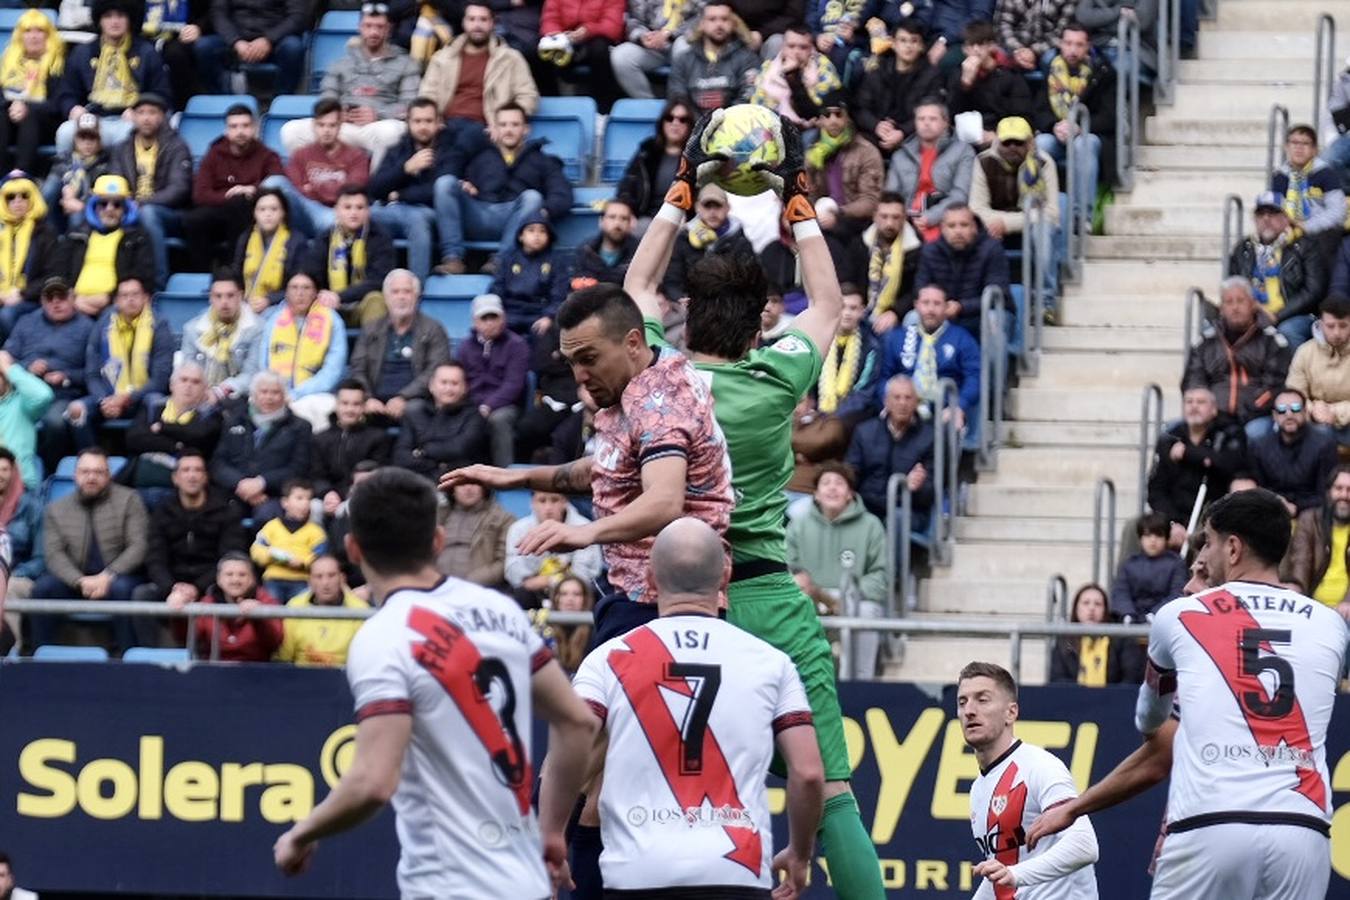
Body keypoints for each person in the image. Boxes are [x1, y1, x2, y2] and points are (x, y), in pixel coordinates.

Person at [612, 123, 885, 900]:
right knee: (831, 796)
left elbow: (636, 289)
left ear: (688, 317)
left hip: (681, 606)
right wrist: (798, 196)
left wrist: (682, 190)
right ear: (763, 317)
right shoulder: (776, 378)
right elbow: (829, 300)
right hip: (769, 597)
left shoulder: (659, 376)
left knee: (665, 795)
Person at [273, 468, 598, 897]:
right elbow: (578, 723)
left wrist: (300, 834)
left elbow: (373, 781)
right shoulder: (499, 610)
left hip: (448, 886)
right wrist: (554, 831)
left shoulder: (384, 634)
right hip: (527, 883)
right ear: (439, 541)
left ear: (352, 549)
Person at [566, 516, 825, 897]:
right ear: (725, 576)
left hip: (638, 873)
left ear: (651, 580)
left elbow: (567, 758)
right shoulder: (771, 662)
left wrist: (550, 835)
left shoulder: (609, 658)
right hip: (734, 872)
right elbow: (808, 773)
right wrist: (800, 853)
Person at [1132, 489, 1343, 900]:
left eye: (1208, 541)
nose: (1204, 554)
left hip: (1209, 821)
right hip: (1303, 829)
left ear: (1232, 548)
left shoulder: (1179, 615)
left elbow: (1148, 718)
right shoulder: (1331, 624)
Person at [959, 661, 1100, 897]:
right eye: (963, 702)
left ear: (1011, 712)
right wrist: (1011, 874)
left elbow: (1085, 845)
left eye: (982, 699)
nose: (969, 710)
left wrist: (1016, 874)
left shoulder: (1041, 766)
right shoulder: (978, 789)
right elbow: (1002, 870)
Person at [29, 447, 147, 654]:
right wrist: (79, 580)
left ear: (108, 475)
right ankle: (41, 657)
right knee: (43, 588)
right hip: (75, 582)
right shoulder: (56, 509)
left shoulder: (129, 500)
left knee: (123, 589)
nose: (91, 477)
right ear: (75, 475)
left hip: (116, 579)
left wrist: (107, 576)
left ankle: (127, 656)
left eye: (98, 472)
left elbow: (138, 546)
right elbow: (54, 554)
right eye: (85, 472)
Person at [431, 102, 571, 275]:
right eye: (503, 125)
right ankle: (453, 259)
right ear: (494, 129)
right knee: (445, 183)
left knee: (532, 197)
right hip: (477, 213)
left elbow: (562, 194)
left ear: (526, 129)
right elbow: (448, 171)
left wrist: (544, 212)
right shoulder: (477, 153)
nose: (509, 130)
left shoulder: (542, 160)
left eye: (515, 124)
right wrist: (462, 183)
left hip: (515, 219)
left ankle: (501, 261)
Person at [278, 4, 420, 170]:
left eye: (379, 27)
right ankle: (316, 183)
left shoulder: (406, 63)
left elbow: (409, 106)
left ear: (388, 29)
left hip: (378, 126)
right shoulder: (341, 63)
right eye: (368, 26)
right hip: (342, 126)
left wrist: (379, 114)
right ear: (360, 28)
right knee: (291, 131)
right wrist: (336, 112)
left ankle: (372, 190)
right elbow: (327, 97)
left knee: (395, 132)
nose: (373, 32)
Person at [786, 461, 888, 675]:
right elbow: (787, 568)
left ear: (850, 493)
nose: (832, 488)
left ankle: (860, 683)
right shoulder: (798, 524)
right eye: (826, 483)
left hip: (852, 598)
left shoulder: (871, 525)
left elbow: (881, 576)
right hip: (810, 598)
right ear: (815, 494)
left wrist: (849, 596)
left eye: (839, 483)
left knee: (867, 612)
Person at [135, 449, 246, 612]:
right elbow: (155, 558)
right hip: (172, 583)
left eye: (198, 470)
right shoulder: (162, 511)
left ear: (205, 477)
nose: (192, 475)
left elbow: (228, 557)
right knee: (142, 595)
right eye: (186, 470)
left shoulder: (226, 510)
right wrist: (171, 587)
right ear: (175, 478)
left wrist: (197, 587)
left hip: (213, 583)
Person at [54, 0, 171, 154]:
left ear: (129, 19)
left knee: (128, 135)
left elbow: (161, 93)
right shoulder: (83, 52)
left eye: (120, 16)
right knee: (65, 132)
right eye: (108, 16)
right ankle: (68, 175)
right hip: (92, 117)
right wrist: (73, 108)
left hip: (129, 119)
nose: (114, 22)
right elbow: (66, 92)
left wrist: (140, 111)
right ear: (100, 20)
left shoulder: (147, 52)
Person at [1181, 277, 1290, 439]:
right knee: (1170, 432)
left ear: (1253, 304)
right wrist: (1209, 411)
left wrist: (1244, 415)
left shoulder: (1272, 341)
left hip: (1255, 418)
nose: (1235, 307)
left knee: (1254, 434)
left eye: (1241, 301)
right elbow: (1193, 382)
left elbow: (1274, 387)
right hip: (1212, 417)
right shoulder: (1205, 342)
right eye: (1229, 302)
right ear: (1221, 309)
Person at [4, 277, 93, 472]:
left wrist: (66, 377)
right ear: (42, 301)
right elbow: (6, 358)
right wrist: (28, 367)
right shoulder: (27, 322)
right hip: (24, 394)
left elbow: (93, 373)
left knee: (55, 423)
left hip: (62, 395)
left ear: (72, 298)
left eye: (61, 296)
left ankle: (49, 473)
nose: (55, 302)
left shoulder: (87, 327)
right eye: (49, 297)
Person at [1031, 21, 1114, 226]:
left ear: (1088, 47)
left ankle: (1081, 217)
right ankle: (1040, 211)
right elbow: (1038, 111)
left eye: (1078, 45)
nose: (1073, 50)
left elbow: (1109, 117)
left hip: (1089, 135)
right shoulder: (1050, 70)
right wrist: (1054, 126)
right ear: (1061, 44)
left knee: (1083, 144)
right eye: (1068, 43)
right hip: (1058, 135)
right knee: (1041, 143)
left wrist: (1080, 126)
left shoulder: (1102, 72)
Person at [183, 105, 283, 271]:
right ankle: (201, 275)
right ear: (226, 130)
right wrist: (230, 194)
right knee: (192, 220)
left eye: (245, 126)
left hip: (251, 211)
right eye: (234, 126)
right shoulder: (214, 154)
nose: (240, 131)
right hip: (219, 209)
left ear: (255, 128)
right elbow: (200, 195)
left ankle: (234, 271)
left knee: (239, 204)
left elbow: (277, 185)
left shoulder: (268, 155)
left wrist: (250, 190)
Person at [367, 97, 455, 280]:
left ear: (438, 123)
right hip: (391, 212)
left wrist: (399, 194)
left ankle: (417, 288)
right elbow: (375, 188)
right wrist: (406, 169)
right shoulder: (397, 149)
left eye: (428, 121)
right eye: (417, 121)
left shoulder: (450, 151)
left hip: (428, 214)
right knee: (358, 215)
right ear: (408, 123)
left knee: (416, 219)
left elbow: (437, 193)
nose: (423, 126)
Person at [1146, 386, 1246, 547]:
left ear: (1213, 410)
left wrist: (1190, 453)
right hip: (1174, 515)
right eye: (1189, 402)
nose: (1194, 406)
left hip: (1211, 512)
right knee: (1134, 527)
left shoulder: (1226, 435)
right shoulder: (1169, 439)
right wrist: (1171, 522)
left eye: (1200, 402)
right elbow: (1156, 490)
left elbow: (1231, 466)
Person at [1226, 190, 1328, 349]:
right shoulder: (1243, 249)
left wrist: (1277, 315)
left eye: (1273, 213)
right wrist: (1251, 310)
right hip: (1253, 312)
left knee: (1288, 330)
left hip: (1295, 315)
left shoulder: (1304, 245)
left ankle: (1294, 374)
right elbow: (1233, 285)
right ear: (1254, 219)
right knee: (1215, 328)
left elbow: (1313, 290)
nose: (1266, 218)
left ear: (1286, 218)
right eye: (1261, 213)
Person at [209, 370, 314, 524]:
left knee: (267, 516)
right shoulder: (234, 420)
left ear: (284, 396)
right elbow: (218, 463)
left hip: (274, 495)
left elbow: (298, 468)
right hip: (234, 490)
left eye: (275, 392)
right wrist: (241, 484)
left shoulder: (300, 427)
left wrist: (261, 483)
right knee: (220, 512)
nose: (269, 397)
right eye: (264, 392)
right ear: (254, 395)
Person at [250, 271, 350, 431]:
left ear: (316, 292)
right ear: (287, 293)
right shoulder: (274, 320)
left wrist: (296, 394)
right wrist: (279, 393)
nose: (300, 293)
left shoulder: (332, 320)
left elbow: (333, 370)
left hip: (314, 394)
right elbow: (264, 362)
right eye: (294, 288)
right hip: (276, 392)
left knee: (321, 407)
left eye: (306, 288)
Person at [792, 288, 880, 467]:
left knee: (832, 431)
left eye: (853, 308)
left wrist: (831, 416)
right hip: (818, 409)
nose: (847, 314)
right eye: (843, 307)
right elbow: (807, 379)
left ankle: (814, 462)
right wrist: (806, 402)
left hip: (852, 413)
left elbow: (863, 393)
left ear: (862, 311)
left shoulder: (872, 346)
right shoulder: (819, 339)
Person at [110, 93, 190, 289]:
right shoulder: (122, 148)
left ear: (162, 116)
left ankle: (157, 284)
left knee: (148, 214)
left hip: (168, 213)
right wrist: (126, 204)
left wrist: (143, 203)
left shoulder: (176, 146)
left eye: (152, 112)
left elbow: (179, 189)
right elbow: (115, 181)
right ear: (133, 116)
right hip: (129, 208)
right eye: (141, 112)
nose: (146, 118)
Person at [348, 269, 451, 421]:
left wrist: (403, 397)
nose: (401, 297)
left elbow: (435, 371)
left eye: (407, 292)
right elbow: (358, 367)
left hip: (416, 399)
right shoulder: (371, 329)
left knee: (415, 410)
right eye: (395, 292)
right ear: (386, 297)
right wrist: (368, 398)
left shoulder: (433, 329)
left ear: (417, 296)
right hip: (375, 400)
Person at [417, 2, 540, 126]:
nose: (477, 25)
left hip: (489, 130)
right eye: (472, 19)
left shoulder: (511, 59)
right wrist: (434, 123)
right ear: (463, 23)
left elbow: (528, 96)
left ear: (493, 23)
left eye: (483, 19)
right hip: (446, 127)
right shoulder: (442, 58)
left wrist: (505, 124)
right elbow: (428, 94)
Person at [266, 101, 372, 240]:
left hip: (333, 212)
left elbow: (353, 190)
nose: (326, 130)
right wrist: (330, 190)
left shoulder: (356, 156)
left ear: (340, 126)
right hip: (304, 210)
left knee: (337, 222)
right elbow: (295, 190)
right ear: (314, 126)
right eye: (321, 125)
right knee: (274, 183)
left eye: (332, 125)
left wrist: (314, 190)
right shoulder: (301, 154)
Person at [877, 285, 981, 426]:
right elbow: (884, 375)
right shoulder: (898, 337)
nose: (931, 310)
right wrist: (888, 400)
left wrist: (959, 406)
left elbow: (974, 378)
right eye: (926, 303)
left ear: (946, 307)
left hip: (943, 410)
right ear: (916, 305)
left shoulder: (962, 338)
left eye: (937, 304)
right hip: (903, 407)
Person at [81, 277, 175, 432]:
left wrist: (127, 398)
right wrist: (104, 400)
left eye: (135, 295)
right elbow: (92, 374)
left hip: (143, 397)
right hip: (108, 397)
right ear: (116, 301)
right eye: (124, 296)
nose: (130, 300)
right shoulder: (103, 325)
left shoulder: (159, 326)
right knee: (77, 410)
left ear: (146, 298)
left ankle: (142, 454)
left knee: (155, 403)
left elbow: (160, 379)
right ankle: (90, 455)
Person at [53, 174, 154, 317]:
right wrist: (72, 299)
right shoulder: (75, 235)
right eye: (103, 203)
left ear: (125, 209)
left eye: (117, 204)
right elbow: (58, 271)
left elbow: (143, 277)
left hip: (116, 307)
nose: (109, 209)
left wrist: (109, 298)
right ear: (94, 207)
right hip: (73, 304)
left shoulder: (137, 238)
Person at [845, 373, 935, 525]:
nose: (902, 403)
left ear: (916, 403)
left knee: (896, 520)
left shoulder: (930, 437)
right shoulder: (865, 431)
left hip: (908, 510)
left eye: (908, 398)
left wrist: (918, 487)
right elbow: (851, 472)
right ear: (886, 401)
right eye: (897, 397)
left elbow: (933, 488)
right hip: (868, 507)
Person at [915, 202, 1012, 341]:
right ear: (942, 228)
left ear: (974, 227)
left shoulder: (992, 249)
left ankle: (991, 364)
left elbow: (998, 294)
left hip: (981, 314)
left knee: (993, 318)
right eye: (952, 226)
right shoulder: (930, 251)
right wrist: (940, 306)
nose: (958, 231)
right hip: (942, 312)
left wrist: (961, 307)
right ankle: (921, 363)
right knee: (912, 318)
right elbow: (920, 288)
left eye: (964, 225)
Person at [299, 186, 394, 329]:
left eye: (360, 207)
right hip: (330, 305)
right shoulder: (325, 238)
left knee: (376, 300)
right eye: (347, 207)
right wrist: (324, 296)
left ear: (368, 211)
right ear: (337, 210)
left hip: (362, 304)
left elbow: (379, 281)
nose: (354, 213)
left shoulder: (380, 238)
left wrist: (341, 296)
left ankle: (373, 351)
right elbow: (311, 274)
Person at [885, 100, 975, 243]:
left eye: (933, 119)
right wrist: (903, 220)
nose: (926, 123)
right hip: (905, 222)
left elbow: (960, 194)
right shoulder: (900, 155)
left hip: (945, 219)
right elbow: (890, 196)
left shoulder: (963, 151)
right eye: (921, 119)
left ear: (945, 123)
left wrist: (931, 217)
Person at [1242, 387, 1338, 517]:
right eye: (1281, 410)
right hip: (1270, 510)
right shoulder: (1259, 446)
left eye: (1295, 408)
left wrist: (1296, 507)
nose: (1289, 414)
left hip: (1313, 513)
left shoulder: (1324, 444)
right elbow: (1258, 487)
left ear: (1305, 412)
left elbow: (1326, 493)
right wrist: (1278, 503)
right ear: (1274, 416)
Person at [456, 293, 528, 468]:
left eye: (493, 317)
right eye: (484, 318)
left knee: (499, 420)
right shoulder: (465, 347)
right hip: (472, 403)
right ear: (475, 321)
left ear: (503, 318)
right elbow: (461, 379)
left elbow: (514, 385)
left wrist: (488, 405)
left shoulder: (517, 345)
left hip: (506, 406)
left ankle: (505, 477)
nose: (489, 322)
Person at [852, 19, 943, 156]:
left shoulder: (931, 75)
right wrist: (876, 125)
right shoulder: (877, 71)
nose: (908, 46)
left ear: (921, 46)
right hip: (876, 134)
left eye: (914, 41)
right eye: (903, 40)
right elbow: (860, 108)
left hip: (913, 136)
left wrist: (902, 132)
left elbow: (933, 113)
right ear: (893, 44)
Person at [970, 116, 1061, 249]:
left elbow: (1051, 213)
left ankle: (1048, 271)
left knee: (1043, 231)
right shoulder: (983, 161)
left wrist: (1006, 224)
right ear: (997, 141)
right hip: (994, 227)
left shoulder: (1044, 162)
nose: (1012, 147)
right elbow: (977, 209)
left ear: (1030, 142)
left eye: (1018, 142)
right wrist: (998, 224)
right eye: (1006, 142)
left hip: (1031, 225)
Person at [504, 489, 603, 608]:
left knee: (585, 594)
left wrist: (549, 581)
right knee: (520, 594)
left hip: (574, 592)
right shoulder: (518, 529)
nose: (548, 507)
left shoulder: (584, 527)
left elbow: (585, 574)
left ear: (565, 502)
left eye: (555, 500)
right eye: (542, 501)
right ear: (532, 503)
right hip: (533, 594)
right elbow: (513, 571)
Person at [123, 362, 222, 478]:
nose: (188, 386)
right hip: (141, 479)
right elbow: (134, 438)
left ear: (205, 389)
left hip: (186, 485)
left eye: (195, 382)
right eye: (183, 380)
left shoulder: (210, 413)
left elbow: (198, 436)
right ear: (172, 385)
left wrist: (162, 428)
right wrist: (177, 446)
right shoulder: (153, 405)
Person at [393, 362, 491, 479]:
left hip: (459, 483)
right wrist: (438, 465)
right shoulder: (414, 412)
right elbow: (401, 456)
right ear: (431, 386)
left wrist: (422, 452)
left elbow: (459, 450)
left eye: (455, 383)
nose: (448, 388)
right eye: (443, 382)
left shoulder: (474, 416)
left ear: (465, 388)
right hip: (420, 480)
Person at [661, 183, 755, 304]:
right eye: (707, 206)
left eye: (717, 206)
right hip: (689, 305)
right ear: (697, 207)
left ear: (727, 208)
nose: (712, 212)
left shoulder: (741, 241)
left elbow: (749, 281)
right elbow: (672, 281)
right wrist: (681, 300)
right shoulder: (684, 238)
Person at [310, 379, 393, 516]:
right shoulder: (320, 438)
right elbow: (316, 474)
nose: (350, 409)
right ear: (336, 405)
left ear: (364, 406)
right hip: (326, 497)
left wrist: (345, 494)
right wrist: (327, 493)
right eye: (345, 403)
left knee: (349, 508)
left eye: (356, 404)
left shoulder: (378, 438)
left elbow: (377, 475)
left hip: (360, 496)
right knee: (313, 507)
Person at [808, 92, 883, 239]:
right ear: (820, 120)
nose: (833, 120)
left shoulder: (866, 152)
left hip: (856, 222)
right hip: (821, 218)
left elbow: (871, 201)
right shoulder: (814, 153)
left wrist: (838, 212)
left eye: (838, 114)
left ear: (848, 118)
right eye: (827, 115)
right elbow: (808, 192)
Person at [945, 20, 1033, 146]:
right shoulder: (957, 74)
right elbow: (950, 116)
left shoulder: (1009, 73)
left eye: (980, 44)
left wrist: (998, 135)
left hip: (1004, 139)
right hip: (966, 140)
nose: (975, 50)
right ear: (964, 50)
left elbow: (1023, 115)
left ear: (992, 46)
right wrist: (965, 85)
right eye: (970, 45)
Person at [274, 554, 370, 667]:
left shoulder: (360, 610)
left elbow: (365, 660)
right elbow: (283, 657)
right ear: (309, 581)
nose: (325, 583)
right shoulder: (294, 606)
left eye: (331, 575)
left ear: (342, 578)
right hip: (301, 677)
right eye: (319, 576)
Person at [1271, 123, 1347, 265]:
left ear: (1314, 150)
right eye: (1294, 143)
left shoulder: (1325, 174)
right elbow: (1274, 208)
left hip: (1318, 233)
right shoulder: (1280, 177)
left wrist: (1306, 226)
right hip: (1287, 230)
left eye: (1305, 143)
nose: (1299, 148)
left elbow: (1338, 212)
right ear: (1286, 147)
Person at [185, 552, 283, 661]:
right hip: (215, 670)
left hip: (256, 671)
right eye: (229, 574)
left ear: (252, 579)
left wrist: (258, 616)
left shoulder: (266, 601)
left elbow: (276, 641)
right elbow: (186, 637)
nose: (235, 580)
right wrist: (180, 609)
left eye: (242, 575)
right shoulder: (207, 603)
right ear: (219, 579)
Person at [193, 0, 306, 94]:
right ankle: (220, 99)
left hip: (275, 41)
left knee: (293, 47)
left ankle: (282, 101)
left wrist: (269, 39)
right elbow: (218, 13)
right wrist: (235, 41)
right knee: (204, 46)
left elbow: (297, 16)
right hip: (235, 41)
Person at [181, 272, 264, 400]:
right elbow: (187, 370)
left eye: (230, 296)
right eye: (218, 296)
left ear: (240, 296)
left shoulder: (257, 328)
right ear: (210, 298)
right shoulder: (192, 329)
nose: (224, 302)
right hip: (200, 396)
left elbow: (252, 374)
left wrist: (220, 391)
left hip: (241, 397)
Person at [0, 11, 64, 176]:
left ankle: (20, 174)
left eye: (39, 31)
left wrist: (27, 107)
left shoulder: (57, 64)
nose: (33, 36)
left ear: (48, 35)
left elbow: (58, 104)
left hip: (44, 124)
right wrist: (12, 105)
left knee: (29, 115)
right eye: (28, 31)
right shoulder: (7, 62)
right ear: (20, 36)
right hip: (9, 121)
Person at [667, 1, 759, 112]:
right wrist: (701, 123)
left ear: (734, 24)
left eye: (724, 19)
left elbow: (748, 95)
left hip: (733, 124)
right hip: (694, 126)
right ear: (701, 24)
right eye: (712, 19)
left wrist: (723, 121)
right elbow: (678, 97)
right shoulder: (683, 60)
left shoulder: (747, 59)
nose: (719, 24)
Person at [0, 170, 58, 342]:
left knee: (7, 315)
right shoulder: (1, 232)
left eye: (24, 195)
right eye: (11, 197)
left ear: (33, 197)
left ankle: (13, 361)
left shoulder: (46, 232)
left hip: (31, 298)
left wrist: (22, 294)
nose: (18, 201)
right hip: (3, 294)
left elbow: (51, 275)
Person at [1283, 464, 1350, 612]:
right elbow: (1301, 559)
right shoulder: (1310, 519)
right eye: (1339, 489)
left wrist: (1348, 602)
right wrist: (1297, 588)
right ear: (1328, 492)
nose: (1344, 496)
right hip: (1312, 606)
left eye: (1349, 490)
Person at [616, 100, 695, 225]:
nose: (675, 123)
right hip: (647, 218)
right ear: (662, 123)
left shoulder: (696, 156)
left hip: (685, 220)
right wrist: (628, 212)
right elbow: (627, 186)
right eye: (669, 118)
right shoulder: (646, 152)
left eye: (682, 119)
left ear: (690, 125)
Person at [1285, 294, 1350, 445]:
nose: (1336, 333)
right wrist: (1314, 410)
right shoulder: (1305, 352)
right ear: (1320, 324)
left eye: (1343, 326)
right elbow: (1294, 393)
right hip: (1312, 421)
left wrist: (1333, 412)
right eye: (1330, 326)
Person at [748, 22, 841, 127]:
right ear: (783, 47)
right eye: (791, 46)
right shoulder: (769, 68)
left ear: (811, 48)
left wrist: (792, 77)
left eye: (803, 47)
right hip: (774, 126)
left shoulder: (823, 67)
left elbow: (819, 113)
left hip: (811, 127)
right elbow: (757, 106)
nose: (796, 52)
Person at [491, 214, 572, 335]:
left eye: (542, 231)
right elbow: (497, 289)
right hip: (510, 313)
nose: (537, 235)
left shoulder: (557, 261)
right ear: (520, 236)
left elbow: (559, 295)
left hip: (540, 314)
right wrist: (498, 314)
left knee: (550, 332)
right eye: (531, 230)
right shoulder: (508, 259)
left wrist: (549, 316)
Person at [533, 0, 622, 108]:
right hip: (565, 37)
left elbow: (613, 26)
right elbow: (550, 19)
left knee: (599, 51)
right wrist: (556, 34)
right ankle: (553, 107)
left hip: (596, 36)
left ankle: (604, 108)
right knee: (544, 50)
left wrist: (588, 30)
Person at [229, 189, 305, 315]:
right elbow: (236, 274)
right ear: (254, 213)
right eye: (262, 209)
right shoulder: (246, 238)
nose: (268, 214)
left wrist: (269, 300)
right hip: (247, 302)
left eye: (274, 209)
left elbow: (300, 285)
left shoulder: (296, 241)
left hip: (280, 304)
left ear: (283, 213)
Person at [251, 478, 329, 602]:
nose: (305, 503)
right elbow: (256, 549)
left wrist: (303, 562)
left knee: (300, 613)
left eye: (308, 499)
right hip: (273, 579)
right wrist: (271, 554)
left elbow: (320, 558)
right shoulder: (271, 527)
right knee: (271, 613)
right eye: (299, 498)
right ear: (285, 502)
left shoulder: (316, 532)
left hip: (301, 581)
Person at [607, 0, 700, 100]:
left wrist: (669, 34)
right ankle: (648, 105)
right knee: (621, 56)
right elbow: (632, 20)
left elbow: (703, 16)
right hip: (653, 44)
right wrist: (643, 37)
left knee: (683, 47)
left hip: (685, 39)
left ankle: (683, 104)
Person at [1049, 583, 1136, 685]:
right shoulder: (1064, 641)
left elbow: (1130, 679)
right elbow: (1058, 680)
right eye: (1086, 603)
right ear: (1076, 609)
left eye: (1098, 604)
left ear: (1105, 610)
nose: (1091, 608)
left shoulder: (1121, 639)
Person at [861, 192, 921, 333]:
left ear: (904, 218)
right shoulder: (861, 243)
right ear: (875, 216)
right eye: (884, 216)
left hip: (897, 313)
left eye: (896, 217)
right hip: (861, 309)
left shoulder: (916, 247)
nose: (889, 223)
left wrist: (895, 312)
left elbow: (916, 289)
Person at [1110, 512, 1186, 623]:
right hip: (1131, 621)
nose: (1153, 540)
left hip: (1164, 622)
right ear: (1140, 538)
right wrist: (1128, 614)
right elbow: (1120, 592)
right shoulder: (1129, 564)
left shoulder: (1177, 563)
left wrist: (1155, 614)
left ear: (1166, 538)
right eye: (1147, 535)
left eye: (1158, 535)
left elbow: (1177, 593)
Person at [435, 480, 514, 586]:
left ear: (484, 489)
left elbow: (505, 562)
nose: (468, 488)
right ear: (452, 489)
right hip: (434, 587)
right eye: (462, 484)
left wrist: (472, 582)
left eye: (474, 483)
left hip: (479, 588)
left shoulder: (503, 519)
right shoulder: (437, 517)